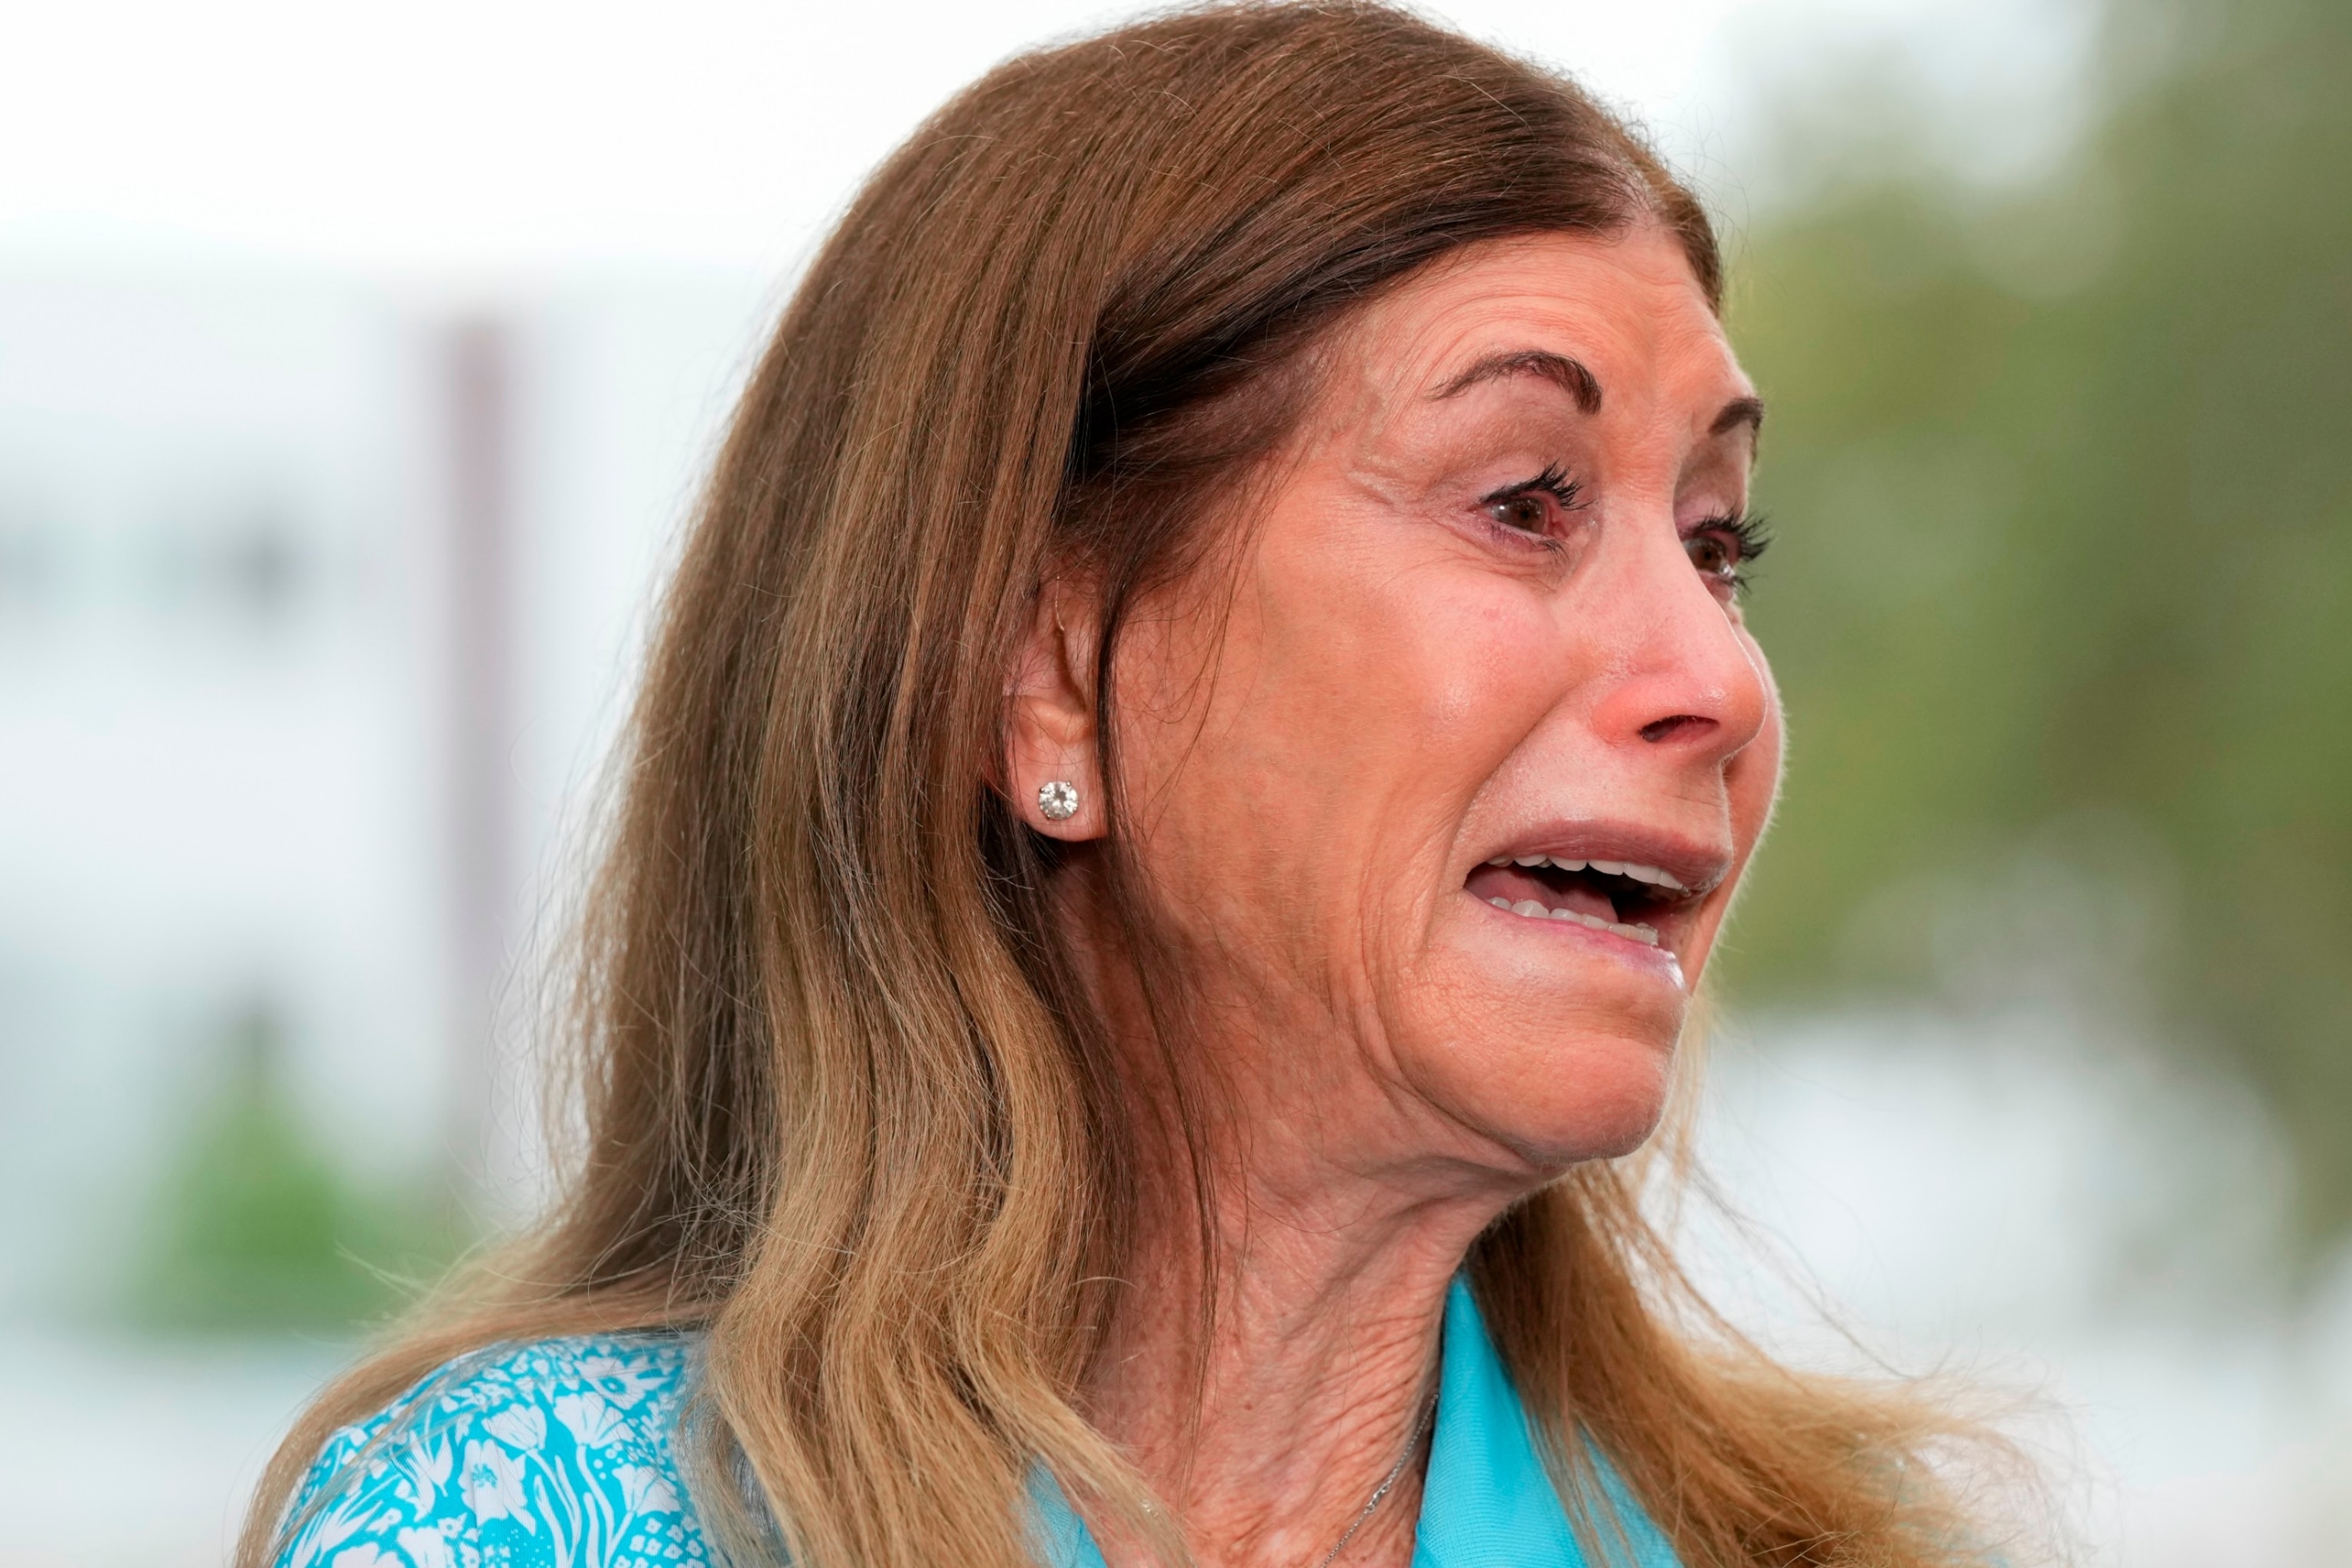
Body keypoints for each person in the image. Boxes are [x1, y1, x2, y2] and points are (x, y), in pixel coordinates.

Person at [245, 5, 2011, 1566]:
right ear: (1046, 673)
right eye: (1526, 501)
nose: (1717, 678)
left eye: (1720, 545)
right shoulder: (525, 1527)